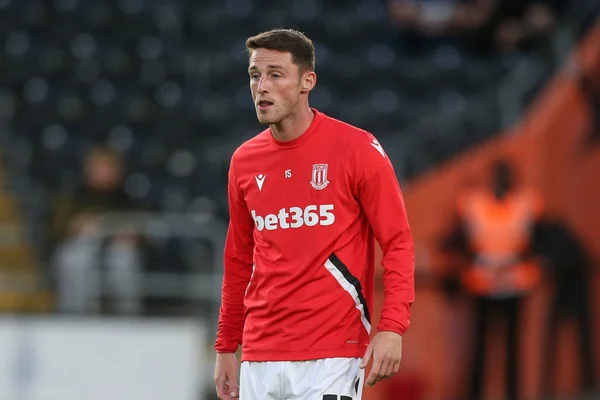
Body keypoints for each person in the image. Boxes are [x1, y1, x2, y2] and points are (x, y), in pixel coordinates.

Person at [213, 29, 415, 400]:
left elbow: (398, 242)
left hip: (332, 351)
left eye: (275, 74)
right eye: (255, 76)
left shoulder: (357, 148)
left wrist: (392, 327)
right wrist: (226, 344)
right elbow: (239, 258)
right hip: (260, 353)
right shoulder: (243, 161)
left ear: (308, 81)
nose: (262, 86)